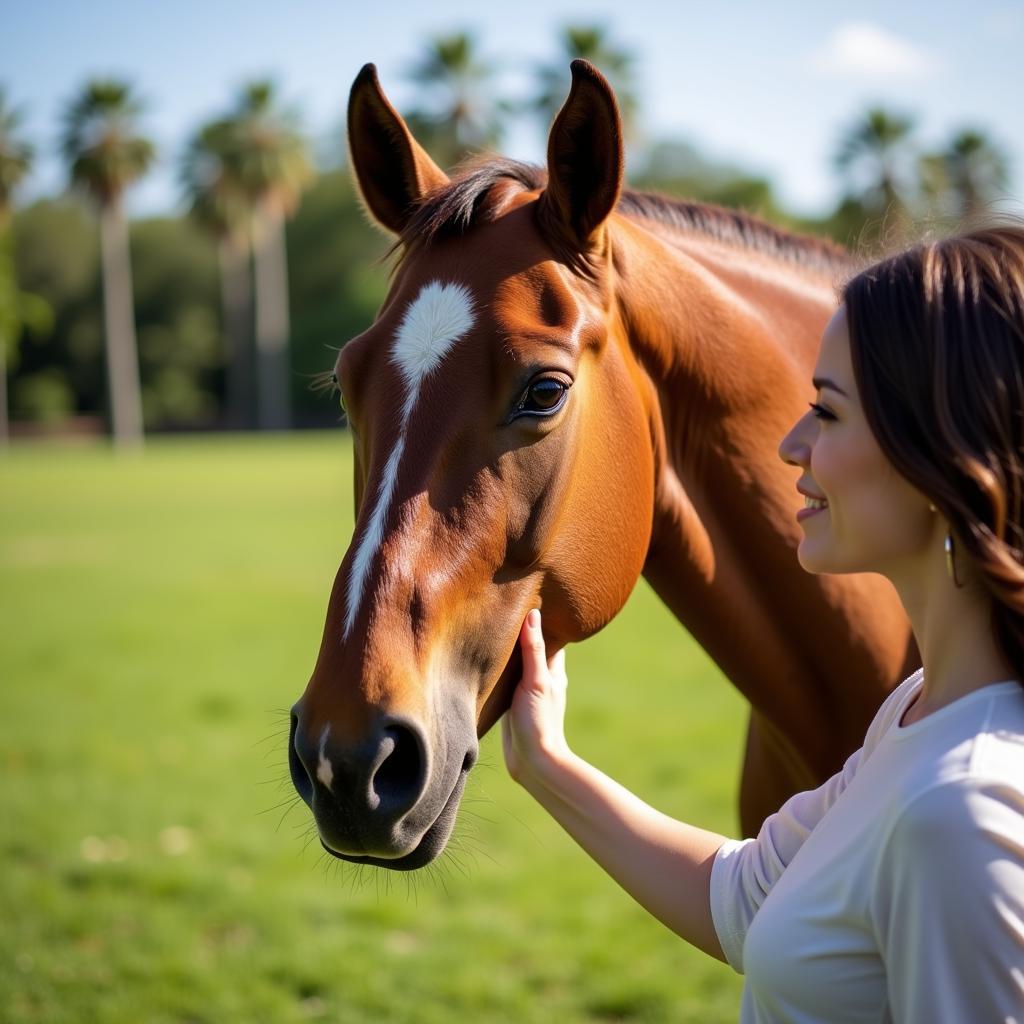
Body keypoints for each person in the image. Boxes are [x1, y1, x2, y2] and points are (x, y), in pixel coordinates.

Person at [502, 225, 1024, 1022]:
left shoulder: (959, 814)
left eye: (830, 413)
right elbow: (745, 900)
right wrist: (546, 762)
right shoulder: (920, 710)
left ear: (943, 457)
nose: (792, 444)